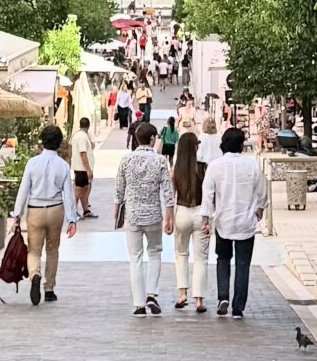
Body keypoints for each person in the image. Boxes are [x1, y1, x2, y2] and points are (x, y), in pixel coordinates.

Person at [200, 127, 268, 318]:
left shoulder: (215, 166)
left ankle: (223, 296)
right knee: (243, 264)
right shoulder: (252, 165)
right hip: (246, 221)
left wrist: (206, 219)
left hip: (223, 220)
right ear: (241, 145)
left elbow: (208, 195)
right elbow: (262, 192)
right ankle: (238, 307)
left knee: (223, 259)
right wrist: (260, 209)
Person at [114, 120, 172, 316]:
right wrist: (169, 216)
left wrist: (116, 211)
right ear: (153, 139)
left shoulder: (126, 160)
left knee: (135, 258)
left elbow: (119, 190)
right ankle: (151, 294)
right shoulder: (160, 161)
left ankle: (139, 303)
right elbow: (167, 191)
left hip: (132, 215)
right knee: (155, 252)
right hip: (153, 214)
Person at [10, 125, 71, 306]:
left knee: (34, 249)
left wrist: (17, 213)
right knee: (52, 250)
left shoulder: (32, 163)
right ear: (59, 143)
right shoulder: (63, 165)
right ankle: (49, 289)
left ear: (42, 141)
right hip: (56, 210)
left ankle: (34, 274)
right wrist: (72, 219)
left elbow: (23, 190)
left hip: (35, 210)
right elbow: (68, 195)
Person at [169, 131, 210, 313]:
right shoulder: (203, 168)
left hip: (182, 212)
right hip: (200, 212)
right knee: (201, 258)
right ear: (195, 147)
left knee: (181, 254)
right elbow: (209, 195)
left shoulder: (175, 169)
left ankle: (182, 294)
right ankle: (199, 299)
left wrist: (168, 217)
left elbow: (171, 195)